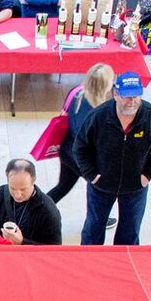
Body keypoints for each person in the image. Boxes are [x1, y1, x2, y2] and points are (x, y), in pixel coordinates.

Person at [77, 70, 151, 246]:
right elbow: (80, 148)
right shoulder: (98, 117)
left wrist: (148, 174)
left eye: (136, 96)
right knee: (93, 228)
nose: (132, 101)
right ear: (115, 94)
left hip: (135, 187)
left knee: (130, 230)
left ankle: (125, 265)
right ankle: (89, 263)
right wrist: (91, 174)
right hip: (101, 186)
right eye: (127, 96)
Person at [48, 63, 115, 205]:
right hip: (85, 162)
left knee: (62, 187)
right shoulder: (101, 113)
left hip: (67, 151)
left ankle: (34, 211)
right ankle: (96, 221)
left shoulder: (76, 93)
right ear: (105, 85)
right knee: (99, 196)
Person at [0, 159, 63, 245]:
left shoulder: (49, 211)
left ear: (33, 180)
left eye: (23, 189)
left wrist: (22, 242)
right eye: (12, 188)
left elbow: (54, 250)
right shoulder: (1, 193)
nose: (17, 195)